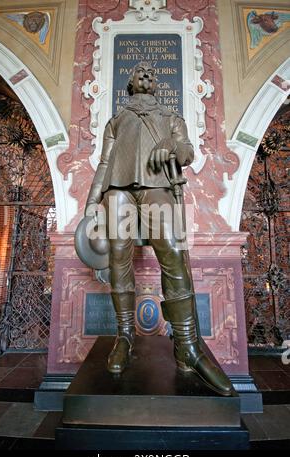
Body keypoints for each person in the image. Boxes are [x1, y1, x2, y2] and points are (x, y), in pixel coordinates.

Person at [83, 62, 233, 396]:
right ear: (131, 83)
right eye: (140, 72)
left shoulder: (171, 118)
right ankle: (124, 337)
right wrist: (92, 202)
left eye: (151, 73)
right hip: (118, 189)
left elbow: (189, 152)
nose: (146, 75)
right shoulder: (117, 121)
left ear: (155, 84)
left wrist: (172, 146)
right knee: (118, 256)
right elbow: (105, 163)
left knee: (174, 255)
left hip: (157, 187)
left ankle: (187, 347)